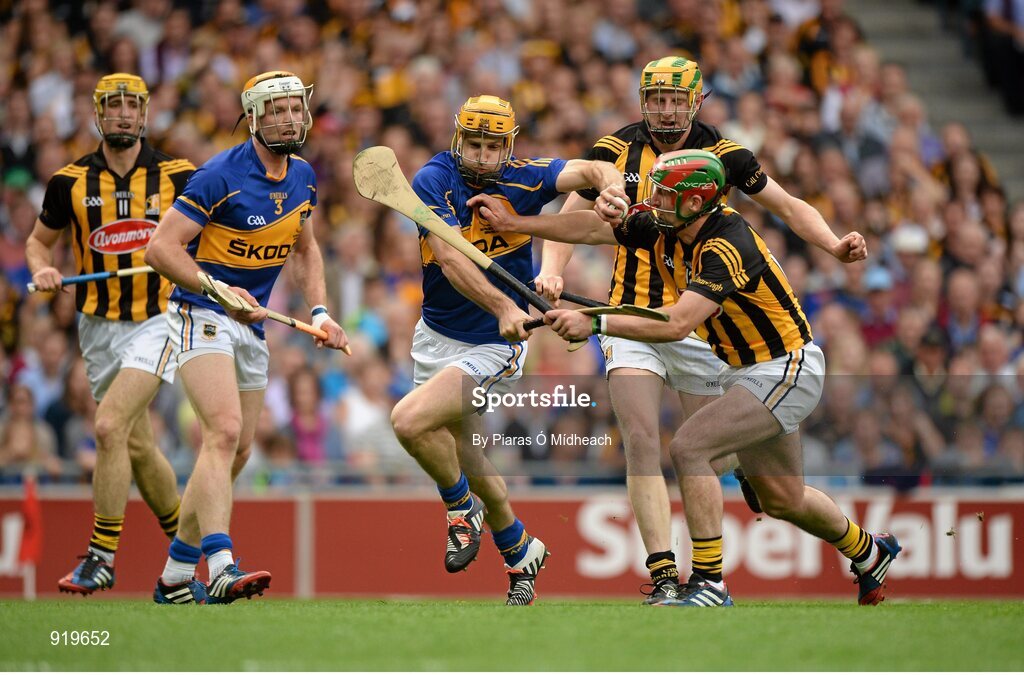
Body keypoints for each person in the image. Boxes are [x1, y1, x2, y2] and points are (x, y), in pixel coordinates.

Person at [530, 56, 868, 603]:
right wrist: (550, 270)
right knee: (645, 438)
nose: (664, 109)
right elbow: (575, 219)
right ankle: (670, 575)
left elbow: (783, 205)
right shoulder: (616, 151)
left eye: (674, 99)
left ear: (697, 100)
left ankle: (834, 536)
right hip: (630, 316)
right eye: (655, 98)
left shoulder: (726, 161)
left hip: (698, 326)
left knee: (743, 472)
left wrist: (832, 243)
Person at [388, 95, 623, 605]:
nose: (481, 154)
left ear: (508, 147)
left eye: (493, 145)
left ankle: (459, 510)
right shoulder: (433, 179)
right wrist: (503, 304)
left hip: (495, 346)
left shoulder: (528, 177)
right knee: (466, 454)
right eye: (473, 143)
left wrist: (611, 192)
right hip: (438, 336)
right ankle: (519, 551)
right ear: (458, 140)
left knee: (408, 422)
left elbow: (595, 167)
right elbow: (450, 259)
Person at [144, 70, 348, 604]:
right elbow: (161, 249)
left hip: (250, 325)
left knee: (234, 454)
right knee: (224, 432)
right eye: (276, 110)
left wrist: (322, 312)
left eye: (295, 109)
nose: (289, 118)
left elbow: (304, 250)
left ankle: (172, 578)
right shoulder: (219, 175)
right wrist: (219, 288)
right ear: (254, 117)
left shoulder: (303, 176)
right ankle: (222, 565)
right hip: (201, 311)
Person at [25, 73, 193, 596]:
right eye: (113, 106)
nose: (123, 114)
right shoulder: (68, 182)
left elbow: (207, 236)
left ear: (145, 114)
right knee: (137, 444)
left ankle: (101, 556)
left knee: (108, 425)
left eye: (131, 106)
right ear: (97, 115)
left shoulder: (179, 174)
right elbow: (37, 243)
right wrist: (44, 269)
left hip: (159, 319)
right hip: (97, 327)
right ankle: (185, 564)